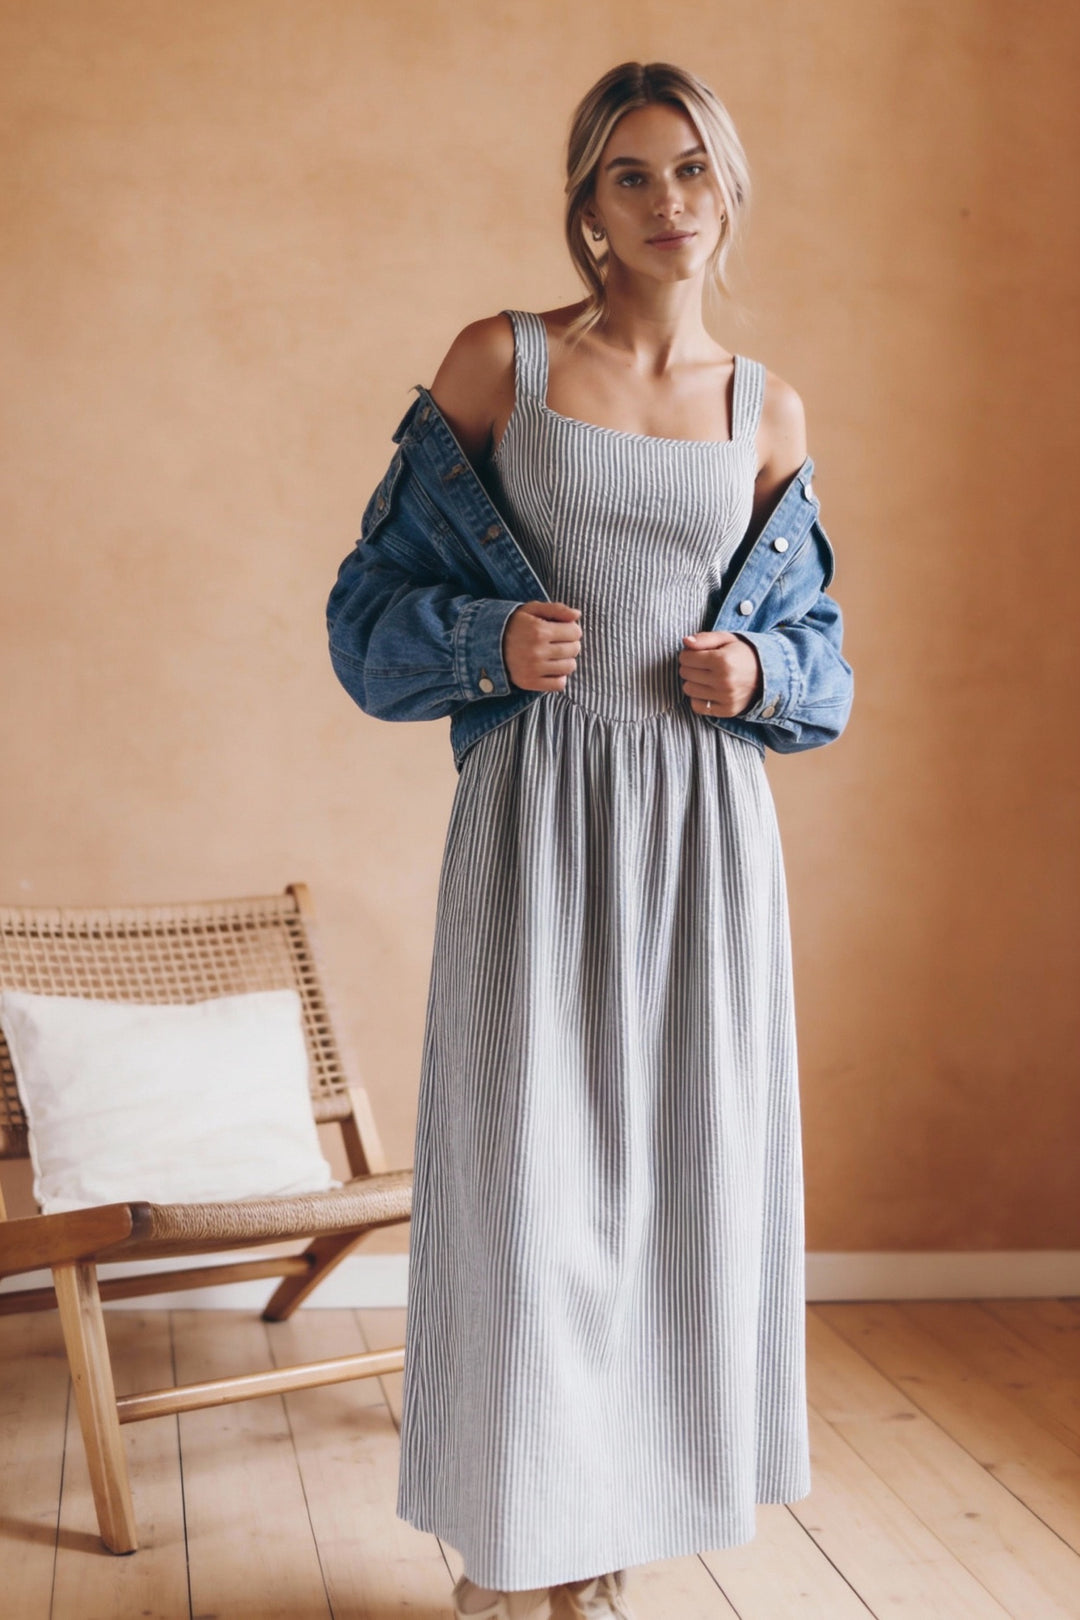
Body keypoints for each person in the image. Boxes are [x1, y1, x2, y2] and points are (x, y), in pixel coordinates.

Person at [328, 59, 853, 1620]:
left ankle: (603, 1563)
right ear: (587, 207)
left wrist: (756, 669)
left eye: (692, 168)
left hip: (702, 845)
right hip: (539, 823)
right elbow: (365, 615)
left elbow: (819, 648)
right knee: (523, 1186)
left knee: (677, 1192)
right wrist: (491, 643)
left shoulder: (770, 408)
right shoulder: (507, 363)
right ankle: (510, 1554)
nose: (668, 200)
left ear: (729, 189)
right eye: (632, 175)